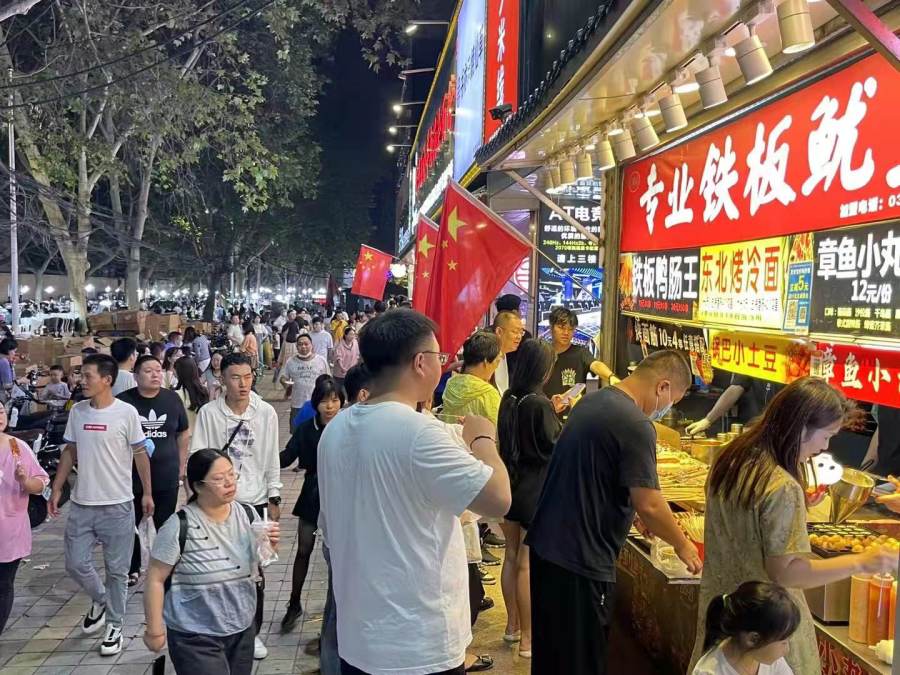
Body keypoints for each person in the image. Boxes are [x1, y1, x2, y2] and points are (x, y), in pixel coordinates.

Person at [317, 309, 511, 675]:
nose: (443, 363)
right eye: (439, 356)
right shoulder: (420, 433)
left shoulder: (337, 428)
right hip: (417, 646)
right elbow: (499, 499)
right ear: (420, 362)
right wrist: (483, 438)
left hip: (359, 639)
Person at [689, 377, 896, 673]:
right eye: (826, 436)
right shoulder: (781, 486)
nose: (825, 447)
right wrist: (862, 562)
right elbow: (786, 573)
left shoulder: (731, 457)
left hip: (725, 613)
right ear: (801, 427)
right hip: (766, 627)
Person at [526, 350, 702, 675]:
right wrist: (683, 544)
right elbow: (650, 503)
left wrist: (630, 512)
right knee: (579, 661)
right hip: (580, 560)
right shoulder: (635, 423)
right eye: (672, 401)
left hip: (549, 549)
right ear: (662, 386)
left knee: (552, 657)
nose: (667, 409)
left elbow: (594, 473)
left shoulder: (595, 401)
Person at [48, 353, 153, 657]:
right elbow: (70, 451)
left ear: (107, 380)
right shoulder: (78, 412)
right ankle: (102, 599)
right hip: (82, 504)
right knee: (75, 563)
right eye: (80, 375)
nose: (81, 381)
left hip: (118, 505)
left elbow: (140, 455)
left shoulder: (126, 413)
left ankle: (115, 626)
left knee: (117, 572)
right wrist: (57, 487)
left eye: (87, 376)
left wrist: (147, 493)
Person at [143, 449, 281, 674]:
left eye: (231, 474)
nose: (229, 483)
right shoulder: (179, 526)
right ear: (198, 486)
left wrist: (270, 546)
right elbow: (155, 579)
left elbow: (260, 560)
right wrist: (155, 630)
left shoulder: (247, 514)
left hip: (242, 625)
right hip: (194, 634)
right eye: (219, 478)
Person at [190, 352, 281, 661]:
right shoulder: (209, 414)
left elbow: (271, 457)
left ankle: (252, 634)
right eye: (235, 378)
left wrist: (274, 496)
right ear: (222, 379)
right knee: (219, 569)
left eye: (248, 377)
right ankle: (221, 629)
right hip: (218, 504)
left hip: (255, 502)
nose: (243, 384)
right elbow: (198, 458)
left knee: (256, 570)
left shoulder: (265, 412)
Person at [496, 339, 561, 658]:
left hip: (510, 485)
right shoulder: (539, 403)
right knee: (526, 564)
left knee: (511, 557)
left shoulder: (509, 397)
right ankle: (528, 640)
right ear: (543, 370)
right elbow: (554, 446)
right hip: (534, 491)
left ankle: (512, 626)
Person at [279, 376, 344, 633]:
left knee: (338, 555)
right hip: (312, 492)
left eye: (335, 400)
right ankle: (294, 603)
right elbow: (286, 457)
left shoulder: (347, 427)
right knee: (304, 548)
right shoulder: (306, 428)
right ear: (316, 403)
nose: (330, 406)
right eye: (324, 401)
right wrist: (260, 459)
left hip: (340, 494)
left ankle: (339, 607)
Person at [118, 355, 190, 586]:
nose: (155, 375)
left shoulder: (172, 399)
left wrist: (181, 465)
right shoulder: (124, 403)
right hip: (131, 477)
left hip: (166, 475)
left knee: (165, 524)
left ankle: (166, 566)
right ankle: (132, 567)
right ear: (136, 376)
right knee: (130, 524)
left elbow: (183, 433)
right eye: (148, 371)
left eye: (158, 370)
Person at [0, 405, 49, 634]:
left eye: (1, 411)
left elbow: (40, 483)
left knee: (3, 585)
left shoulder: (16, 447)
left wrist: (25, 481)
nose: (0, 417)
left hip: (10, 531)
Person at [693, 582, 800, 675]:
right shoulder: (709, 672)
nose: (787, 650)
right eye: (784, 642)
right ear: (753, 639)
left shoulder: (769, 659)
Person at [543, 306, 619, 417]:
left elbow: (595, 364)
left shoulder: (580, 352)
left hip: (573, 416)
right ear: (551, 327)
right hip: (546, 414)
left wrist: (611, 377)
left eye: (570, 329)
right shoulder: (542, 353)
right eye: (561, 328)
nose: (566, 333)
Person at [685, 374, 785, 436]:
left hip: (781, 432)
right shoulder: (754, 357)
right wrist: (708, 420)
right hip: (752, 429)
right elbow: (737, 387)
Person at [442, 331, 503, 425]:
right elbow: (498, 429)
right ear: (486, 362)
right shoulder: (488, 394)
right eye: (497, 361)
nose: (497, 366)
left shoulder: (450, 384)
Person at [280, 332, 330, 433]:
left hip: (316, 404)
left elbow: (328, 380)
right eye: (300, 344)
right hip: (297, 404)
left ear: (311, 345)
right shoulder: (290, 361)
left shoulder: (321, 360)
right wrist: (286, 384)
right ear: (296, 346)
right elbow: (283, 377)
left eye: (306, 344)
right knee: (296, 433)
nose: (303, 347)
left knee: (317, 432)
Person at [491, 311, 525, 395]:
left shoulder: (504, 354)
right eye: (515, 331)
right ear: (499, 332)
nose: (519, 337)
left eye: (521, 332)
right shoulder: (488, 357)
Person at [173, 356, 210, 428]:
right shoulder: (203, 390)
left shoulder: (176, 394)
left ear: (180, 373)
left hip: (184, 432)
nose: (174, 372)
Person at [273, 310, 301, 384]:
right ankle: (284, 378)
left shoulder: (294, 324)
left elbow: (296, 335)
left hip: (292, 345)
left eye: (294, 314)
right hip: (287, 344)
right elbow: (283, 334)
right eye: (292, 314)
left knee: (292, 361)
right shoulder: (287, 324)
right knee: (286, 361)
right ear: (288, 316)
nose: (293, 316)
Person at [331, 325, 360, 392]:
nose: (352, 336)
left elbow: (357, 355)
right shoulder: (340, 344)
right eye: (350, 334)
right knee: (339, 391)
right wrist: (342, 367)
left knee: (350, 390)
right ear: (345, 335)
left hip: (351, 372)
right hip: (340, 373)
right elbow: (338, 357)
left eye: (353, 334)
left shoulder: (355, 342)